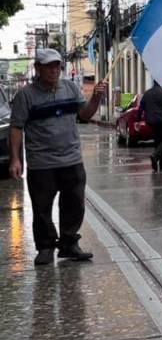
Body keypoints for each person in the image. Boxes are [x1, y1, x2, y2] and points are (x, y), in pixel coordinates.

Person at [8, 49, 107, 266]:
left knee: (74, 204)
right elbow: (16, 128)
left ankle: (69, 244)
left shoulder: (70, 88)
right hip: (41, 163)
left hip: (72, 160)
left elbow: (85, 115)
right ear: (38, 68)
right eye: (49, 66)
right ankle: (45, 247)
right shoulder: (26, 95)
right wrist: (16, 159)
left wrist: (97, 98)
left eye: (57, 66)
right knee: (42, 207)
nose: (54, 70)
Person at [139, 81, 162, 172]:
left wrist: (138, 119)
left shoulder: (147, 93)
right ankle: (155, 156)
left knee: (158, 140)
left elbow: (141, 107)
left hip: (151, 121)